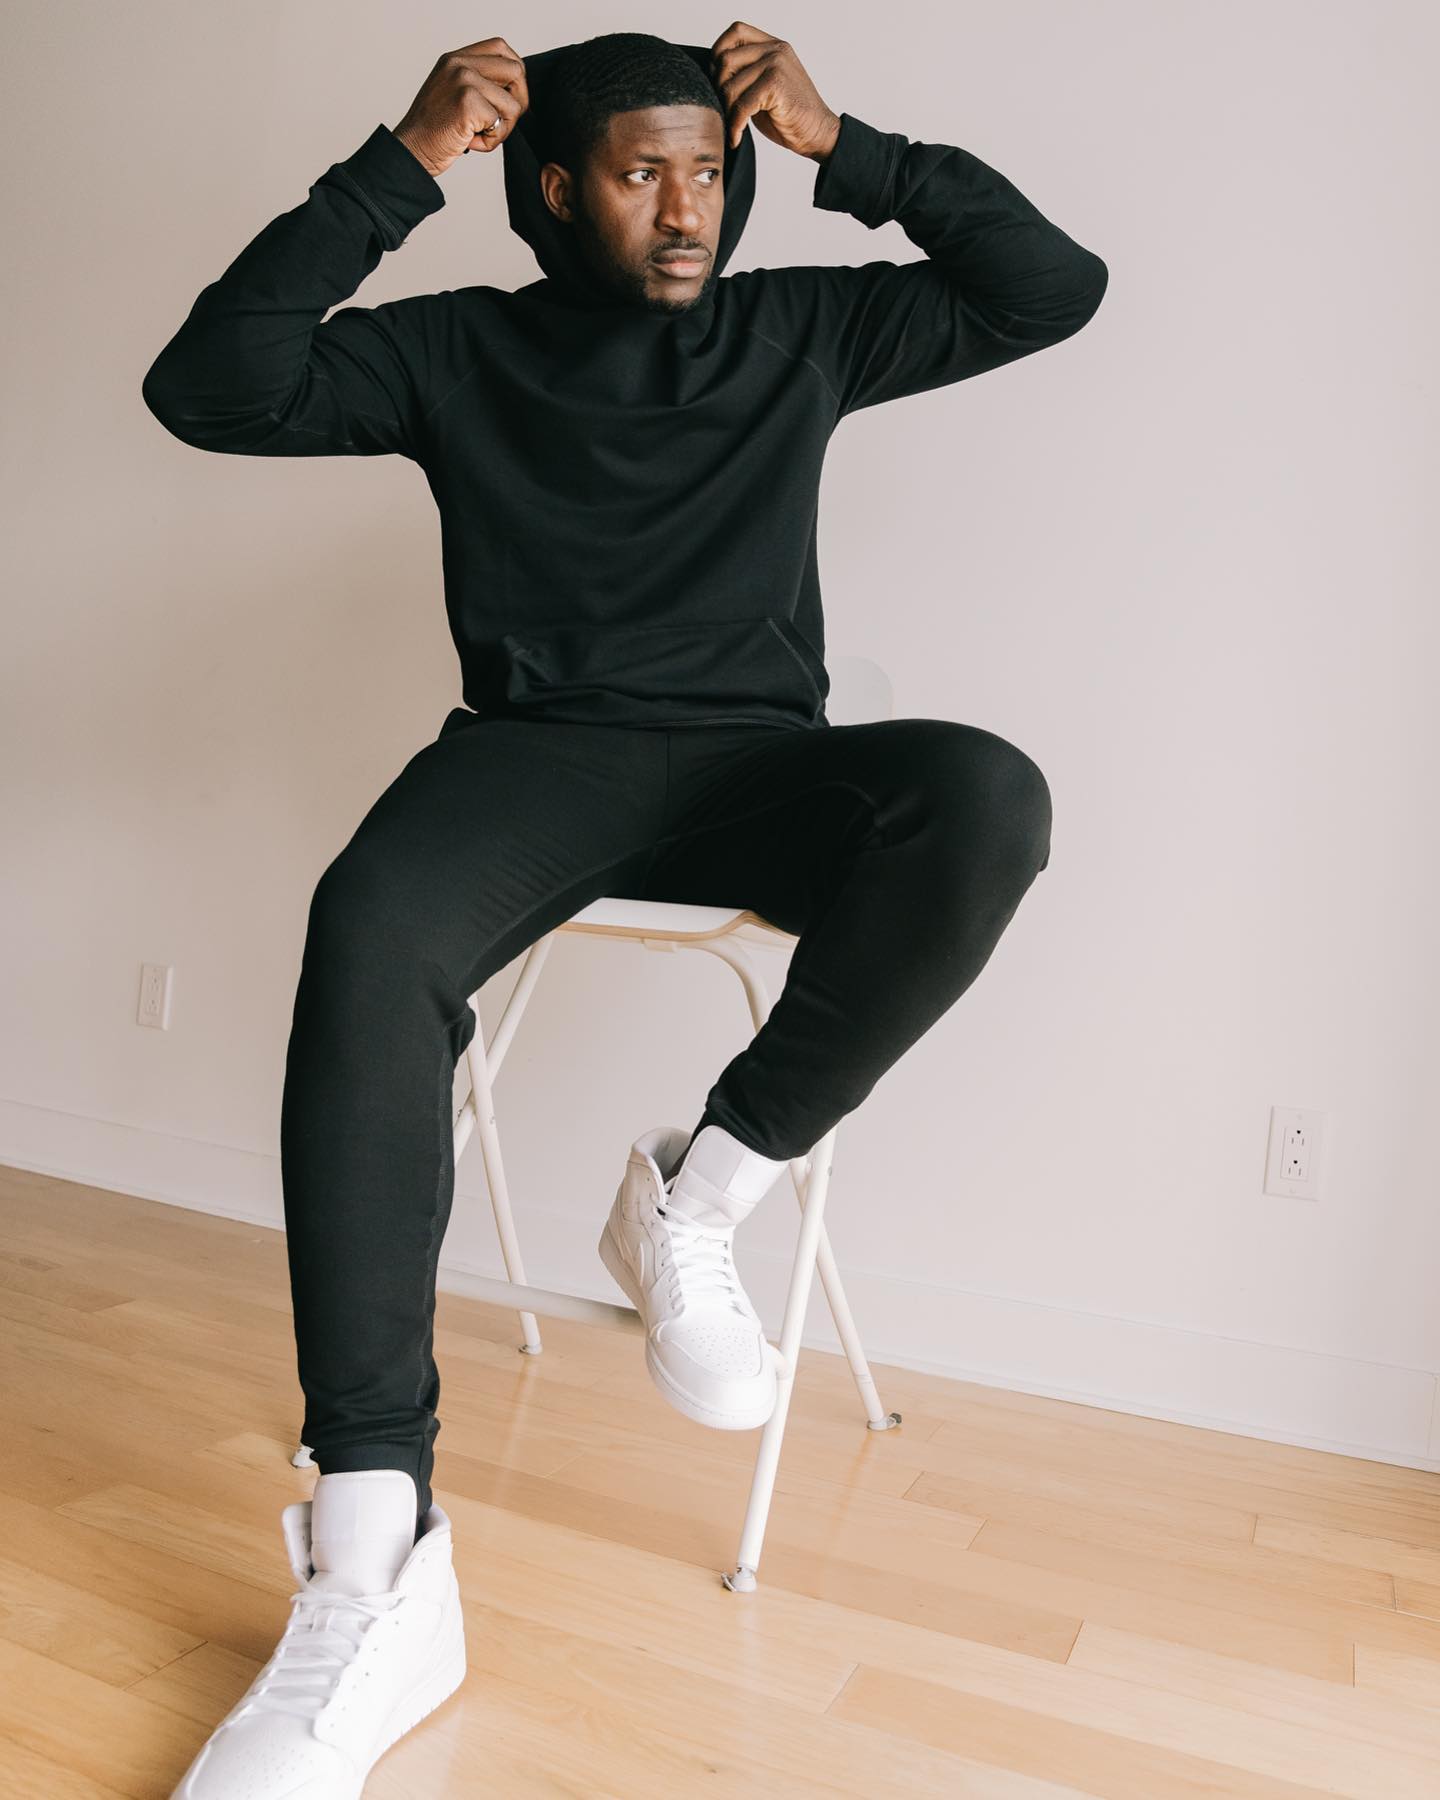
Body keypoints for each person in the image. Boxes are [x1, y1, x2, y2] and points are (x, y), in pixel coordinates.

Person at [143, 24, 1107, 1796]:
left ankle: (703, 1193)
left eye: (713, 171)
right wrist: (399, 160)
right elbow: (208, 384)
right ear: (554, 187)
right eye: (649, 173)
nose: (692, 209)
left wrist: (853, 148)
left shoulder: (803, 324)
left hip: (754, 769)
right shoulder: (458, 349)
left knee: (987, 793)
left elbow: (1054, 285)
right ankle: (373, 1554)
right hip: (536, 761)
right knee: (368, 932)